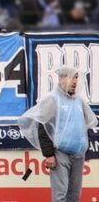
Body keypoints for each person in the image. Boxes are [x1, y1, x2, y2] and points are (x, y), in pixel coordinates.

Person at [18, 66, 97, 202]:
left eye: (76, 78)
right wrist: (49, 154)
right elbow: (42, 126)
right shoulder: (52, 99)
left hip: (78, 155)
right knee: (60, 196)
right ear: (61, 79)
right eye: (71, 77)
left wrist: (83, 147)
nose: (74, 81)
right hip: (61, 154)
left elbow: (84, 125)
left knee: (74, 196)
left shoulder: (79, 101)